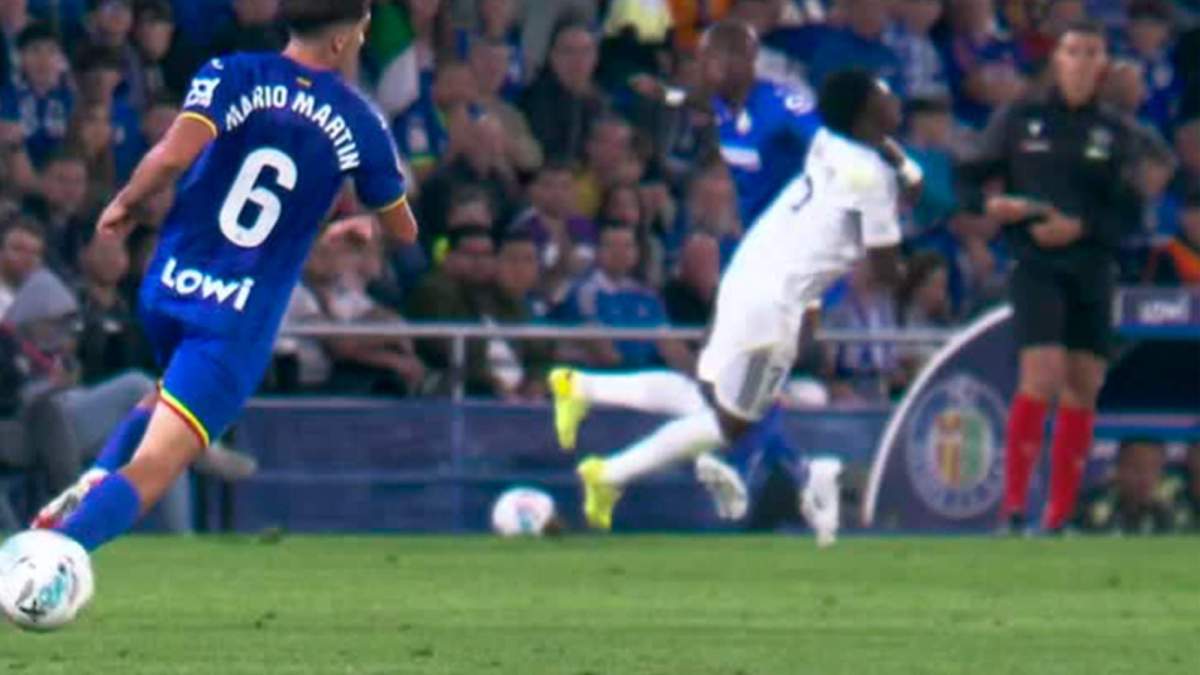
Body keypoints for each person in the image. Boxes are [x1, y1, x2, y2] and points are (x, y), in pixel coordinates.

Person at [22, 0, 419, 566]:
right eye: (361, 32)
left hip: (168, 288)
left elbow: (170, 155)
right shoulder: (359, 121)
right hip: (235, 319)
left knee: (166, 398)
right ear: (339, 42)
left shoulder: (230, 73)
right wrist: (353, 221)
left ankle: (88, 489)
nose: (361, 41)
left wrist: (125, 204)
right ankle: (51, 562)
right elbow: (402, 231)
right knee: (159, 466)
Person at [560, 66, 911, 545]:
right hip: (777, 302)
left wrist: (672, 94)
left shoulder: (828, 144)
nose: (892, 99)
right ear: (866, 115)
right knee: (729, 424)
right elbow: (887, 270)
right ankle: (611, 474)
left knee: (707, 397)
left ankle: (584, 390)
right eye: (881, 93)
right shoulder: (867, 177)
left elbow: (741, 107)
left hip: (747, 276)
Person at [957, 22, 1146, 533]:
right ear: (1057, 61)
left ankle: (1057, 515)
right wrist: (991, 205)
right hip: (1036, 264)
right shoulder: (1019, 120)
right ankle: (1013, 507)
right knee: (1040, 375)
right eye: (1073, 51)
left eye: (1092, 52)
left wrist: (1081, 227)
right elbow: (967, 175)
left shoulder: (1117, 132)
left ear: (1103, 65)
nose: (1082, 62)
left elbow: (1132, 213)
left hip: (1091, 266)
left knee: (1083, 386)